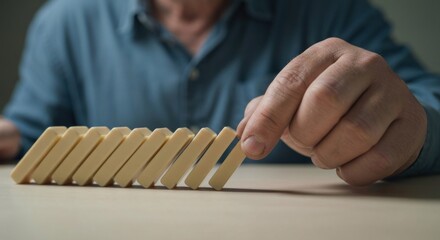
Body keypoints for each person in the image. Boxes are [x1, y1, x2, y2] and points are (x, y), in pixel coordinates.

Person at [1, 0, 439, 186]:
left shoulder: (330, 11)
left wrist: (414, 128)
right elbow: (33, 132)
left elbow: (424, 103)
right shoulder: (64, 22)